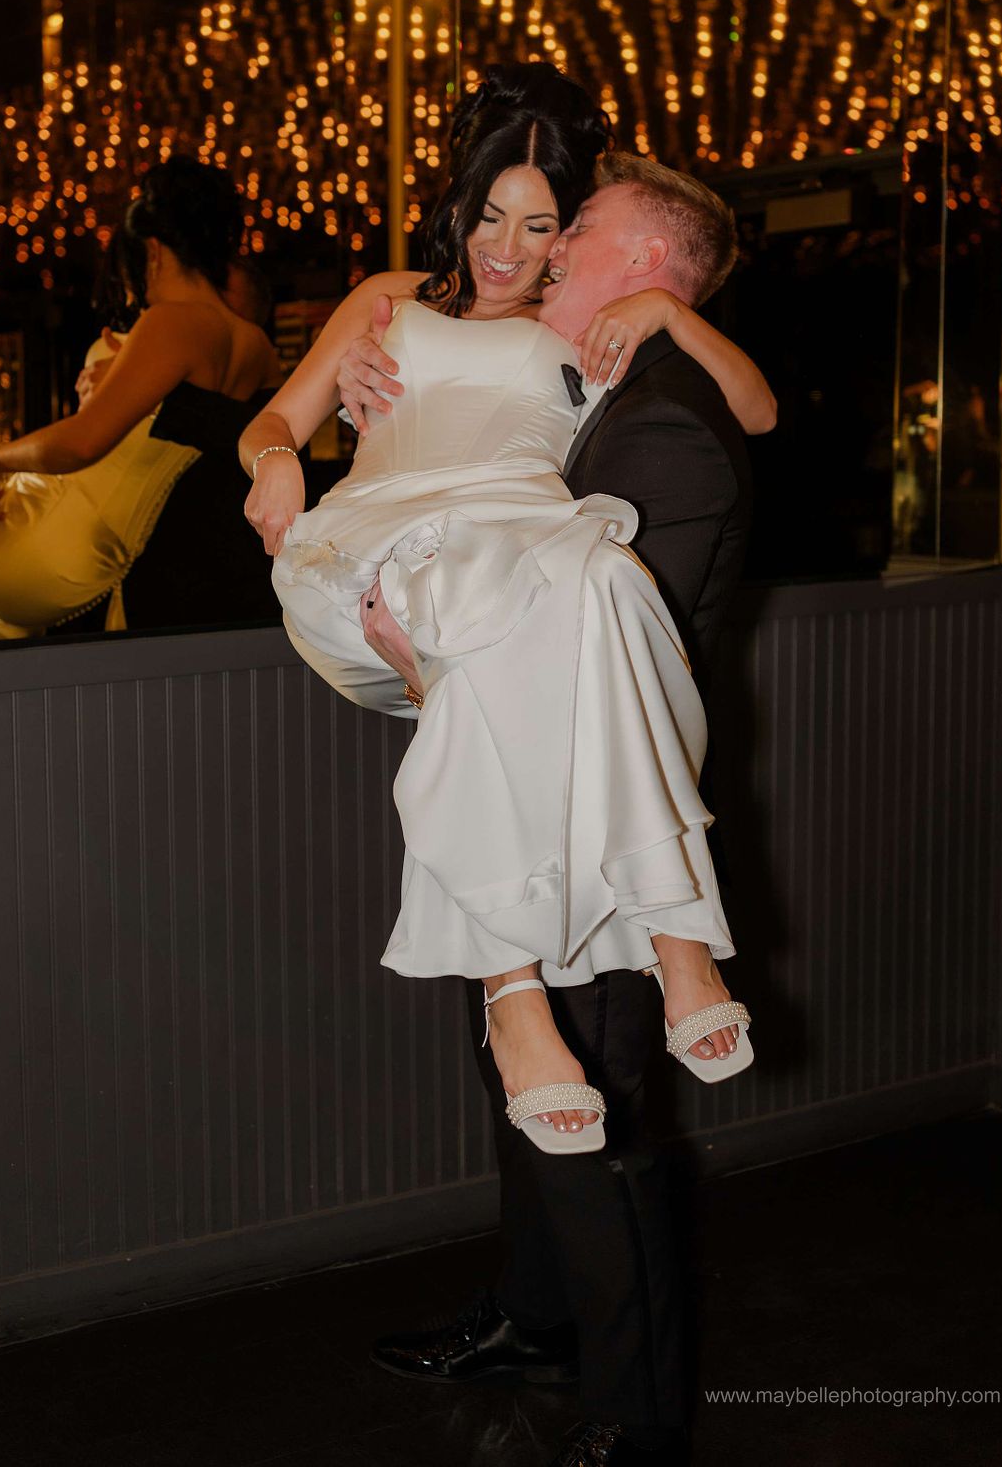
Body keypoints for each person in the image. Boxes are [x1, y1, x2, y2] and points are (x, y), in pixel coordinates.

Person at [339, 144, 761, 1466]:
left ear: (641, 260)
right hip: (515, 800)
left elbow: (614, 638)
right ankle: (532, 1317)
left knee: (610, 1121)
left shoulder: (672, 423)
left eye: (579, 226)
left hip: (599, 839)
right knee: (527, 1087)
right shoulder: (596, 385)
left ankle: (635, 1413)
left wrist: (425, 658)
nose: (553, 242)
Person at [0, 156, 276, 649]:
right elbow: (232, 435)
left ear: (152, 251)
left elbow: (81, 444)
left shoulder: (172, 321)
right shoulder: (257, 348)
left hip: (54, 530)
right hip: (99, 560)